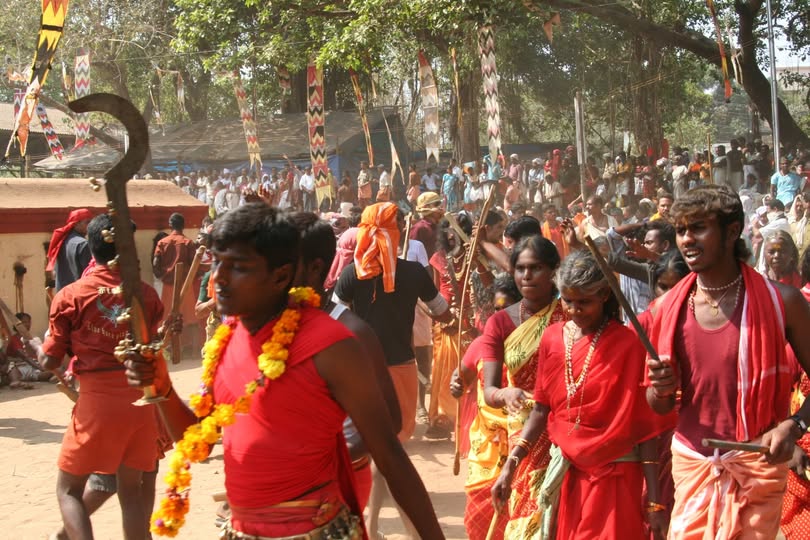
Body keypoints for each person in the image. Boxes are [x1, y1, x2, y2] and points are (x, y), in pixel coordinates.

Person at [125, 203, 445, 539]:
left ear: (280, 276)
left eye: (238, 267)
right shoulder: (226, 339)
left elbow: (391, 457)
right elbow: (198, 441)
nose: (218, 278)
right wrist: (162, 387)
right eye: (217, 262)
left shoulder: (333, 345)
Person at [646, 185, 810, 540]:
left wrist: (795, 425)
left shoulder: (784, 302)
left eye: (698, 228)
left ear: (732, 231)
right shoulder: (665, 309)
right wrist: (661, 389)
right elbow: (659, 405)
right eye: (681, 230)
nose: (687, 240)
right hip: (692, 466)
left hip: (756, 468)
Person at [492, 249, 671, 540]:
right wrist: (511, 464)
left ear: (604, 295)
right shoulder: (552, 338)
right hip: (569, 473)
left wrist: (654, 501)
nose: (574, 310)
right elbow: (541, 409)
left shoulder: (628, 344)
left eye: (584, 302)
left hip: (616, 478)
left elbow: (645, 430)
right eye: (567, 300)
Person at [38, 213, 168, 540]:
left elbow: (50, 359)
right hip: (140, 403)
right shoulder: (146, 295)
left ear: (91, 248)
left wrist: (39, 349)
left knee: (68, 490)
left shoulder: (71, 295)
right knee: (132, 493)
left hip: (97, 403)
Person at [334, 202, 453, 538]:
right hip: (401, 367)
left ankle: (374, 527)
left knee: (379, 450)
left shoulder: (351, 274)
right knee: (391, 450)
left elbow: (334, 317)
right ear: (395, 232)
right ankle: (391, 529)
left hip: (359, 369)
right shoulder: (414, 273)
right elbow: (442, 311)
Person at [286, 211, 404, 511]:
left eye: (282, 263)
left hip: (337, 480)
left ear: (315, 268)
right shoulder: (267, 324)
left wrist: (324, 461)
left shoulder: (352, 332)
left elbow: (391, 421)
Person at [478, 235, 566, 538]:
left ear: (553, 271)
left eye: (536, 268)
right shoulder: (500, 323)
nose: (526, 275)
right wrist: (505, 393)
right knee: (529, 510)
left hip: (566, 424)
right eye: (520, 268)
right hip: (525, 429)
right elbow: (490, 392)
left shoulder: (573, 313)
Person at [453, 275, 520, 540]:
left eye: (508, 308)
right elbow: (461, 376)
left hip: (522, 441)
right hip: (486, 447)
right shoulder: (481, 344)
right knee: (478, 517)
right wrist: (456, 384)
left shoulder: (534, 343)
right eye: (496, 309)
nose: (501, 316)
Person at [426, 217, 475, 439]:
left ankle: (468, 420)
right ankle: (443, 420)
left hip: (469, 323)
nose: (452, 235)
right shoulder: (438, 258)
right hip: (445, 322)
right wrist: (442, 315)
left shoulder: (474, 257)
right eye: (448, 230)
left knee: (468, 370)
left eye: (458, 230)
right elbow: (435, 291)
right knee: (443, 371)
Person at [152, 212, 201, 357]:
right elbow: (194, 265)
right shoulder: (188, 243)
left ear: (170, 225)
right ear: (183, 225)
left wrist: (163, 276)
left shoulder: (162, 242)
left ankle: (167, 351)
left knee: (166, 319)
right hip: (185, 286)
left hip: (168, 286)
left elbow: (155, 264)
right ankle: (194, 352)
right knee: (191, 320)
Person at [47, 208, 93, 292]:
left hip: (62, 294)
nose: (90, 225)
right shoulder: (83, 244)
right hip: (78, 294)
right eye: (87, 222)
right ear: (76, 224)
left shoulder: (61, 241)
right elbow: (89, 275)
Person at [410, 191, 445, 260]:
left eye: (440, 204)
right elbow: (412, 255)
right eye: (437, 204)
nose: (440, 207)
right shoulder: (419, 228)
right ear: (426, 207)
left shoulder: (440, 226)